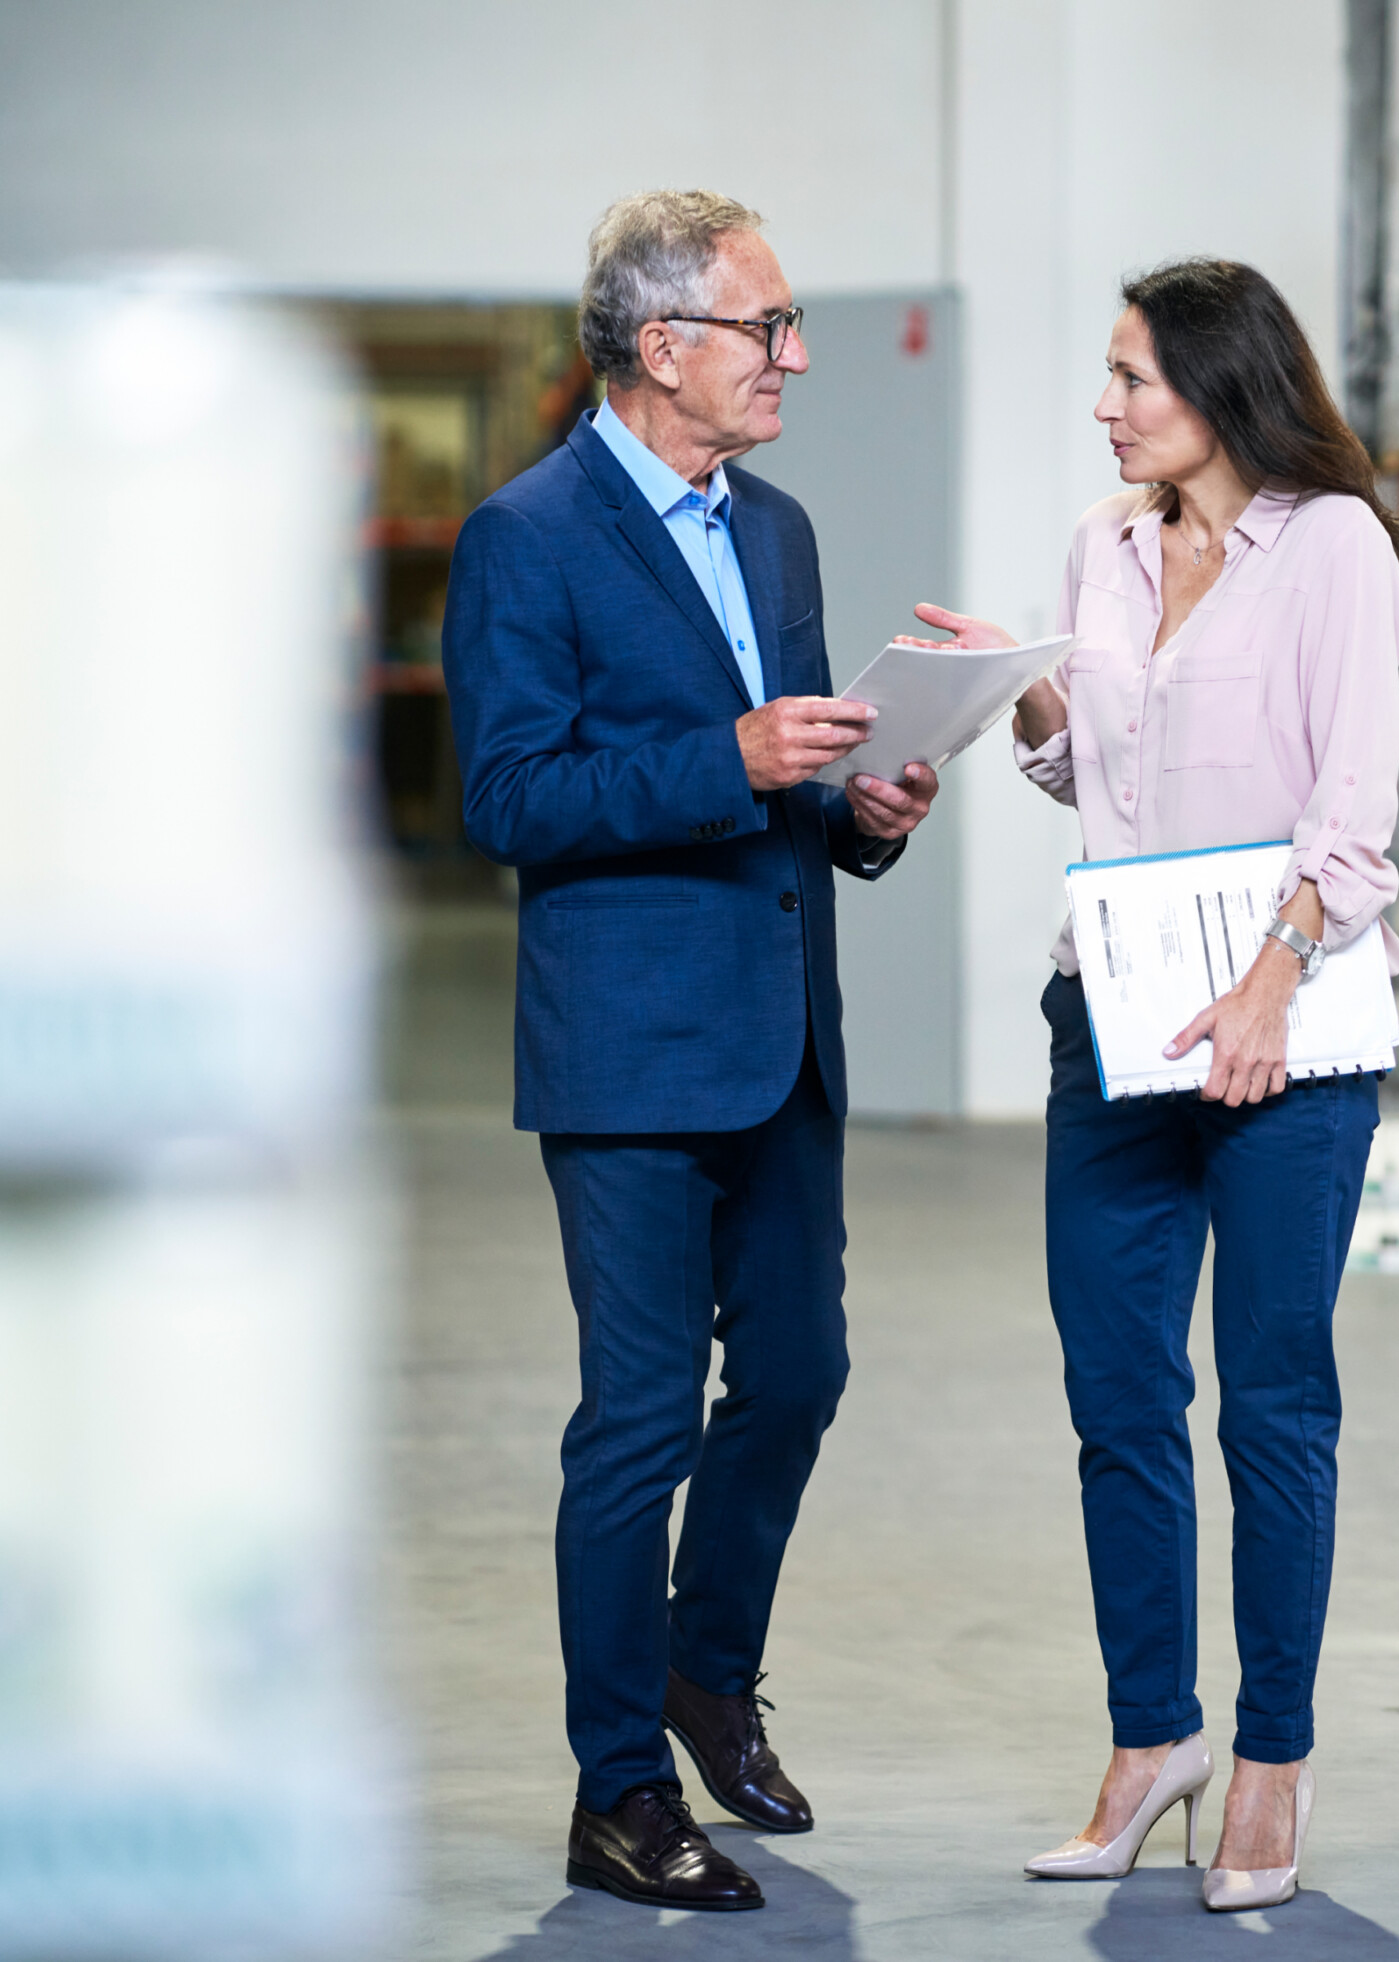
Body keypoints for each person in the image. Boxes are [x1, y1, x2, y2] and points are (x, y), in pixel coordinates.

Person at [441, 188, 940, 1915]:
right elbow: (509, 797)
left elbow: (786, 784)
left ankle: (705, 1668)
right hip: (631, 1053)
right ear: (665, 349)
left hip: (783, 1037)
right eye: (768, 328)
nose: (794, 357)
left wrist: (860, 806)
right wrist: (728, 755)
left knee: (798, 1377)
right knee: (636, 1422)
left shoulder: (779, 530)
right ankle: (617, 1788)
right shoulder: (531, 534)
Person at [907, 258, 1399, 1914]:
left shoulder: (1334, 544)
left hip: (1285, 1018)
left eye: (1133, 378)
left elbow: (1354, 794)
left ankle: (1271, 1756)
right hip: (1113, 1012)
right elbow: (1091, 777)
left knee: (1271, 1400)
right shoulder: (1103, 548)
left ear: (1222, 386)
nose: (1108, 406)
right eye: (1108, 378)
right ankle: (1151, 1741)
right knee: (1119, 1392)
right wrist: (1026, 687)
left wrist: (1274, 973)